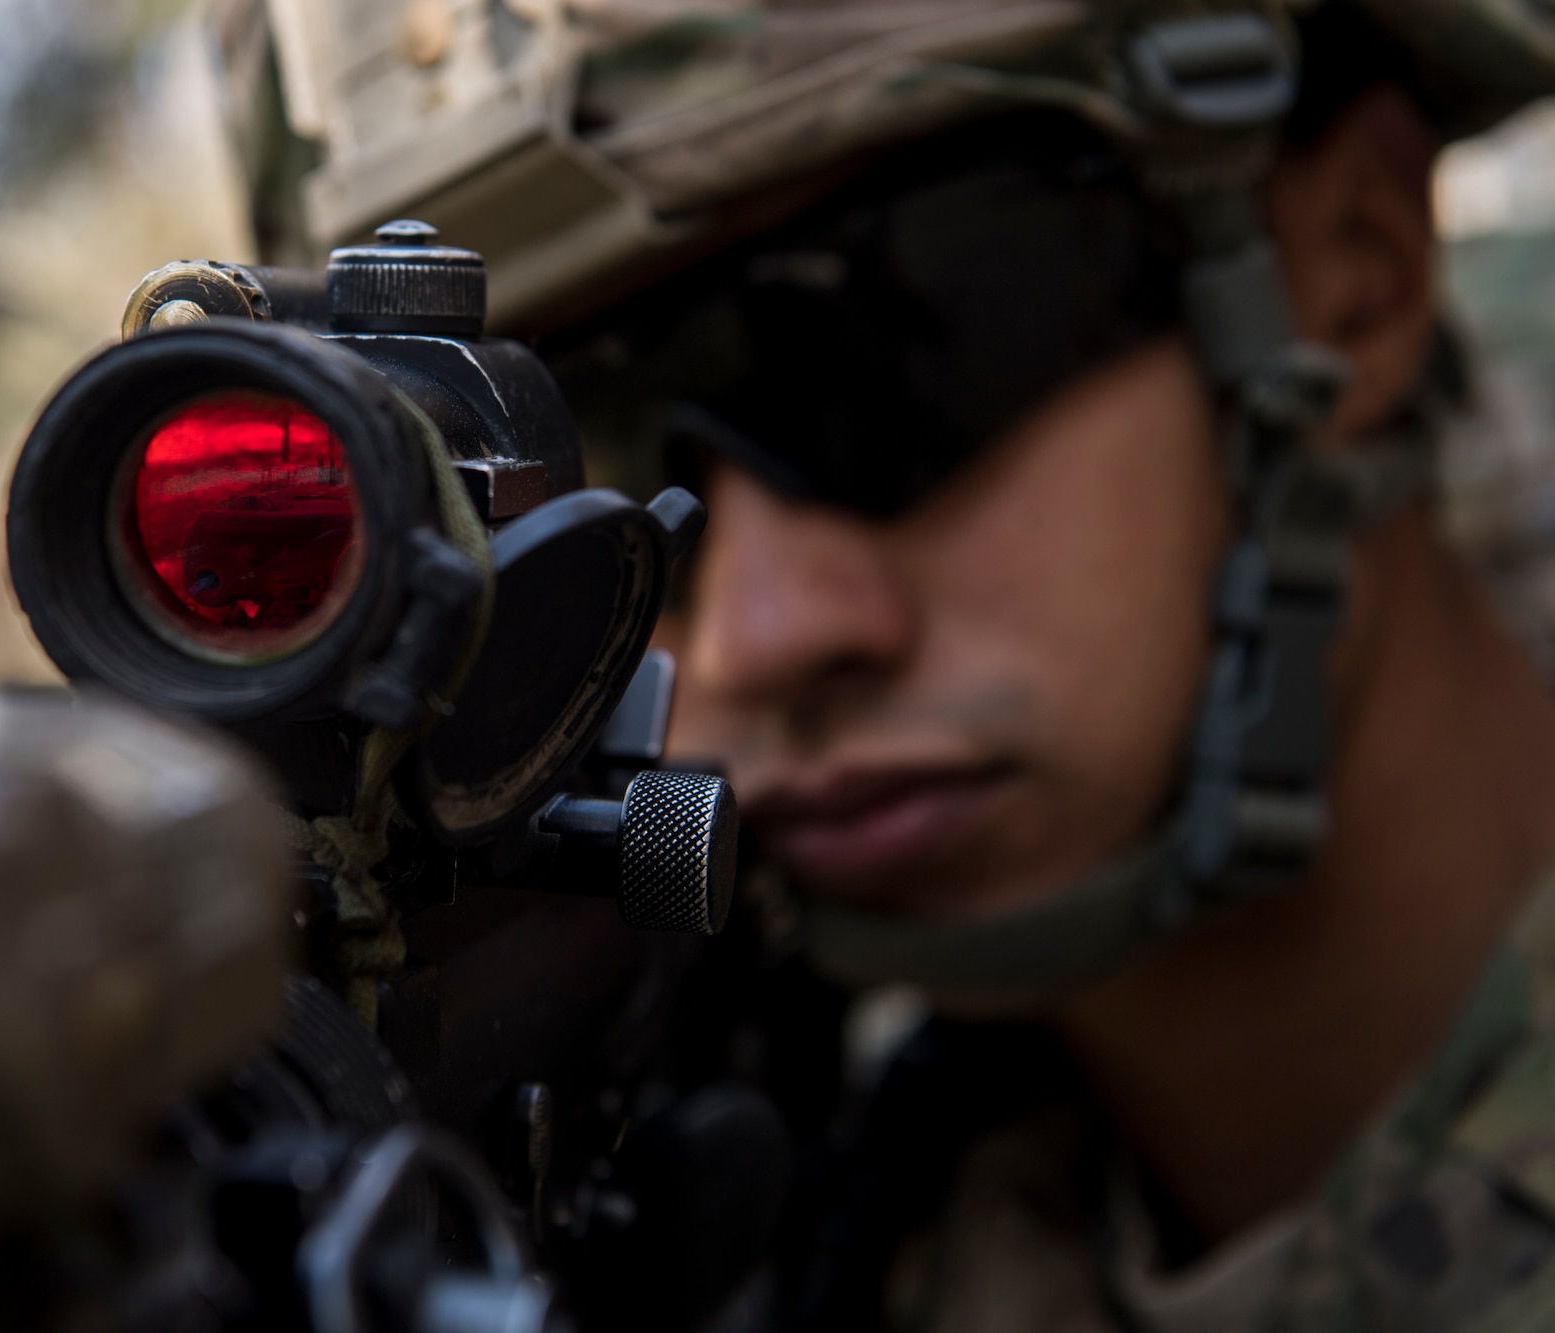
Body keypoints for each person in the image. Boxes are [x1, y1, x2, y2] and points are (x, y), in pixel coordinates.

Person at [224, 1, 1555, 1327]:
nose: (762, 630)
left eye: (900, 348)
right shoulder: (808, 1208)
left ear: (1357, 266)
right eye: (585, 445)